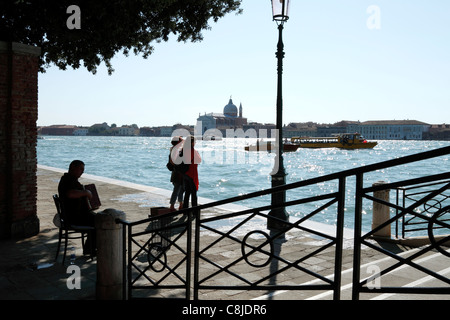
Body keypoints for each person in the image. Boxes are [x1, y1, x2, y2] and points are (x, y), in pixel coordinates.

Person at [58, 160, 96, 254]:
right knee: (101, 222)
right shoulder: (67, 181)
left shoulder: (71, 180)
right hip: (73, 218)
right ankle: (90, 249)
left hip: (76, 214)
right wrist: (86, 192)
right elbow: (70, 194)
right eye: (81, 169)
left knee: (100, 218)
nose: (82, 172)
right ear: (73, 168)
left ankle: (91, 247)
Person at [182, 136, 201, 209]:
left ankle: (185, 209)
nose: (195, 143)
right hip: (192, 174)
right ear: (192, 143)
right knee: (193, 193)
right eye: (195, 142)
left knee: (187, 192)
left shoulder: (184, 150)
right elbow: (199, 160)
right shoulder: (193, 151)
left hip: (185, 173)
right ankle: (194, 210)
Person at [168, 136, 184, 211]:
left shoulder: (173, 149)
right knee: (177, 189)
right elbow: (173, 161)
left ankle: (181, 204)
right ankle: (172, 206)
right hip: (178, 173)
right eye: (181, 141)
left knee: (179, 189)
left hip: (175, 172)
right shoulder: (176, 150)